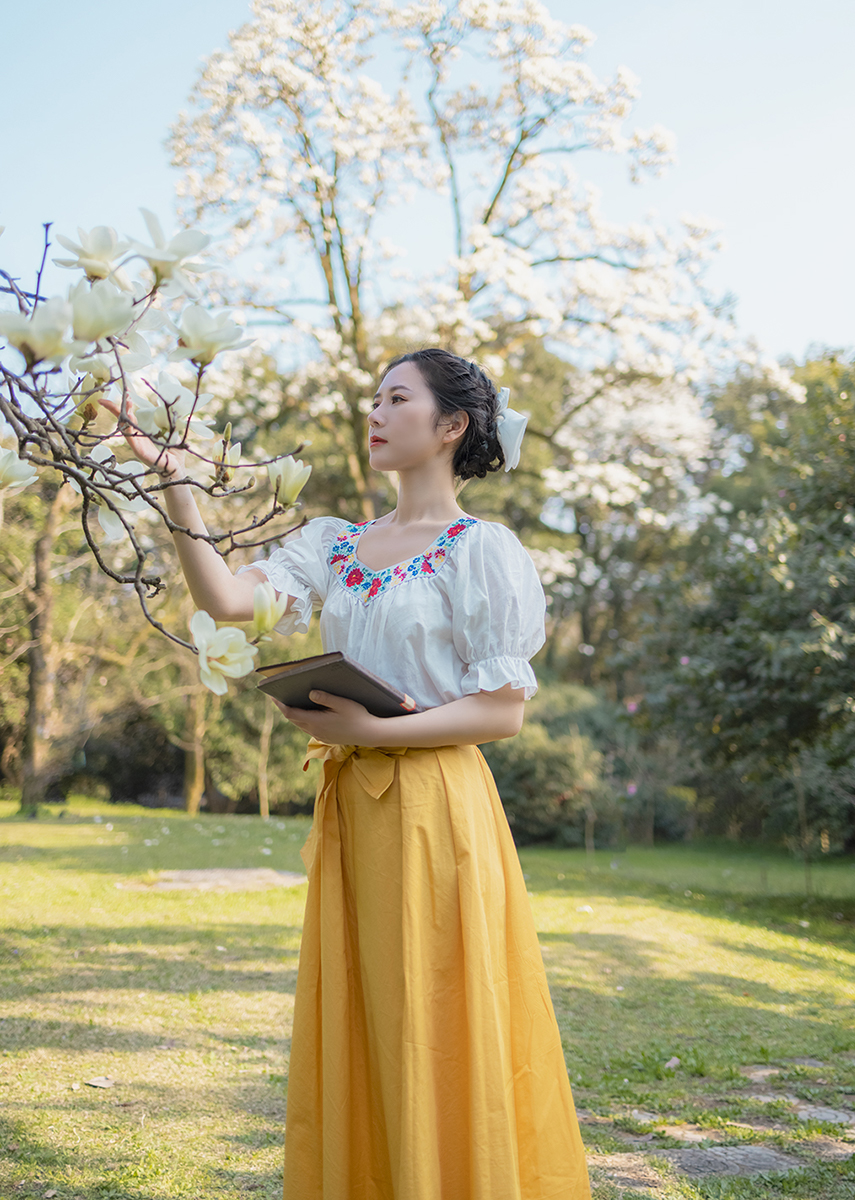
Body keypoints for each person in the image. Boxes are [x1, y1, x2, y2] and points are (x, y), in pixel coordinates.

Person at [112, 348, 590, 1199]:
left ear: (451, 427)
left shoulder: (481, 551)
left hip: (439, 811)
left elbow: (502, 712)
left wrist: (372, 726)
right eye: (374, 396)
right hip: (354, 813)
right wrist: (175, 483)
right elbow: (226, 601)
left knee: (438, 1017)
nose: (374, 410)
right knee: (369, 1016)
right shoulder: (335, 544)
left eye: (397, 398)